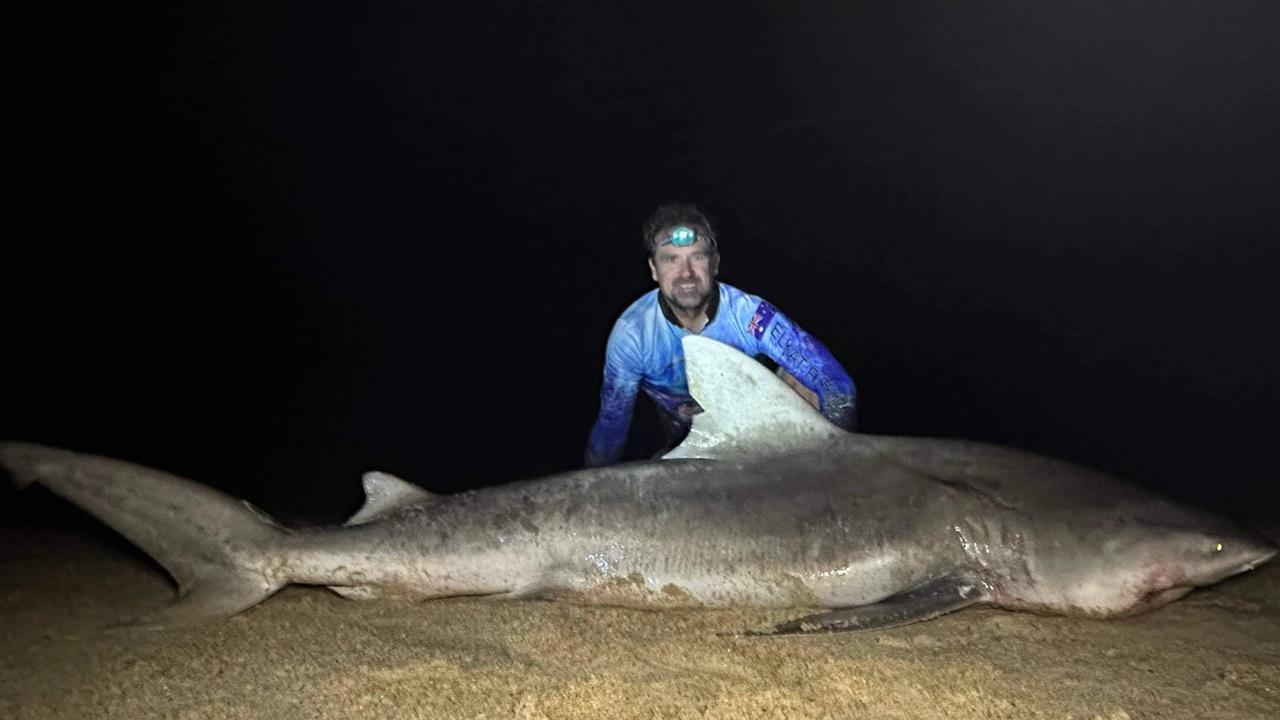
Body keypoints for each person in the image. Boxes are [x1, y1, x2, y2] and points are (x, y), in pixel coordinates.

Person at [585, 202, 857, 466]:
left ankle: (800, 471)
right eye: (671, 260)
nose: (686, 273)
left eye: (698, 257)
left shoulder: (751, 316)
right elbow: (613, 421)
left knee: (804, 378)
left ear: (714, 263)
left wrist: (834, 458)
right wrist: (592, 480)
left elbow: (838, 387)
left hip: (759, 427)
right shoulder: (632, 335)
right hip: (687, 438)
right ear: (654, 270)